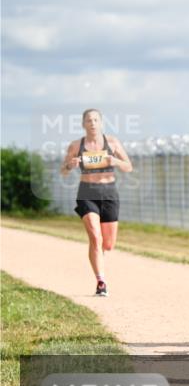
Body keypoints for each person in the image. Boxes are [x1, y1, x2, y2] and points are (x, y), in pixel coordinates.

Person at [60, 109, 133, 297]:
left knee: (107, 245)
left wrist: (115, 161)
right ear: (83, 124)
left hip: (109, 193)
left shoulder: (113, 142)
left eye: (95, 120)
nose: (92, 123)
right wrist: (71, 164)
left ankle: (100, 258)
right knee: (95, 237)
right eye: (88, 120)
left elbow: (128, 167)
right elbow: (64, 170)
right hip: (87, 192)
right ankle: (101, 281)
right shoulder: (76, 145)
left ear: (101, 122)